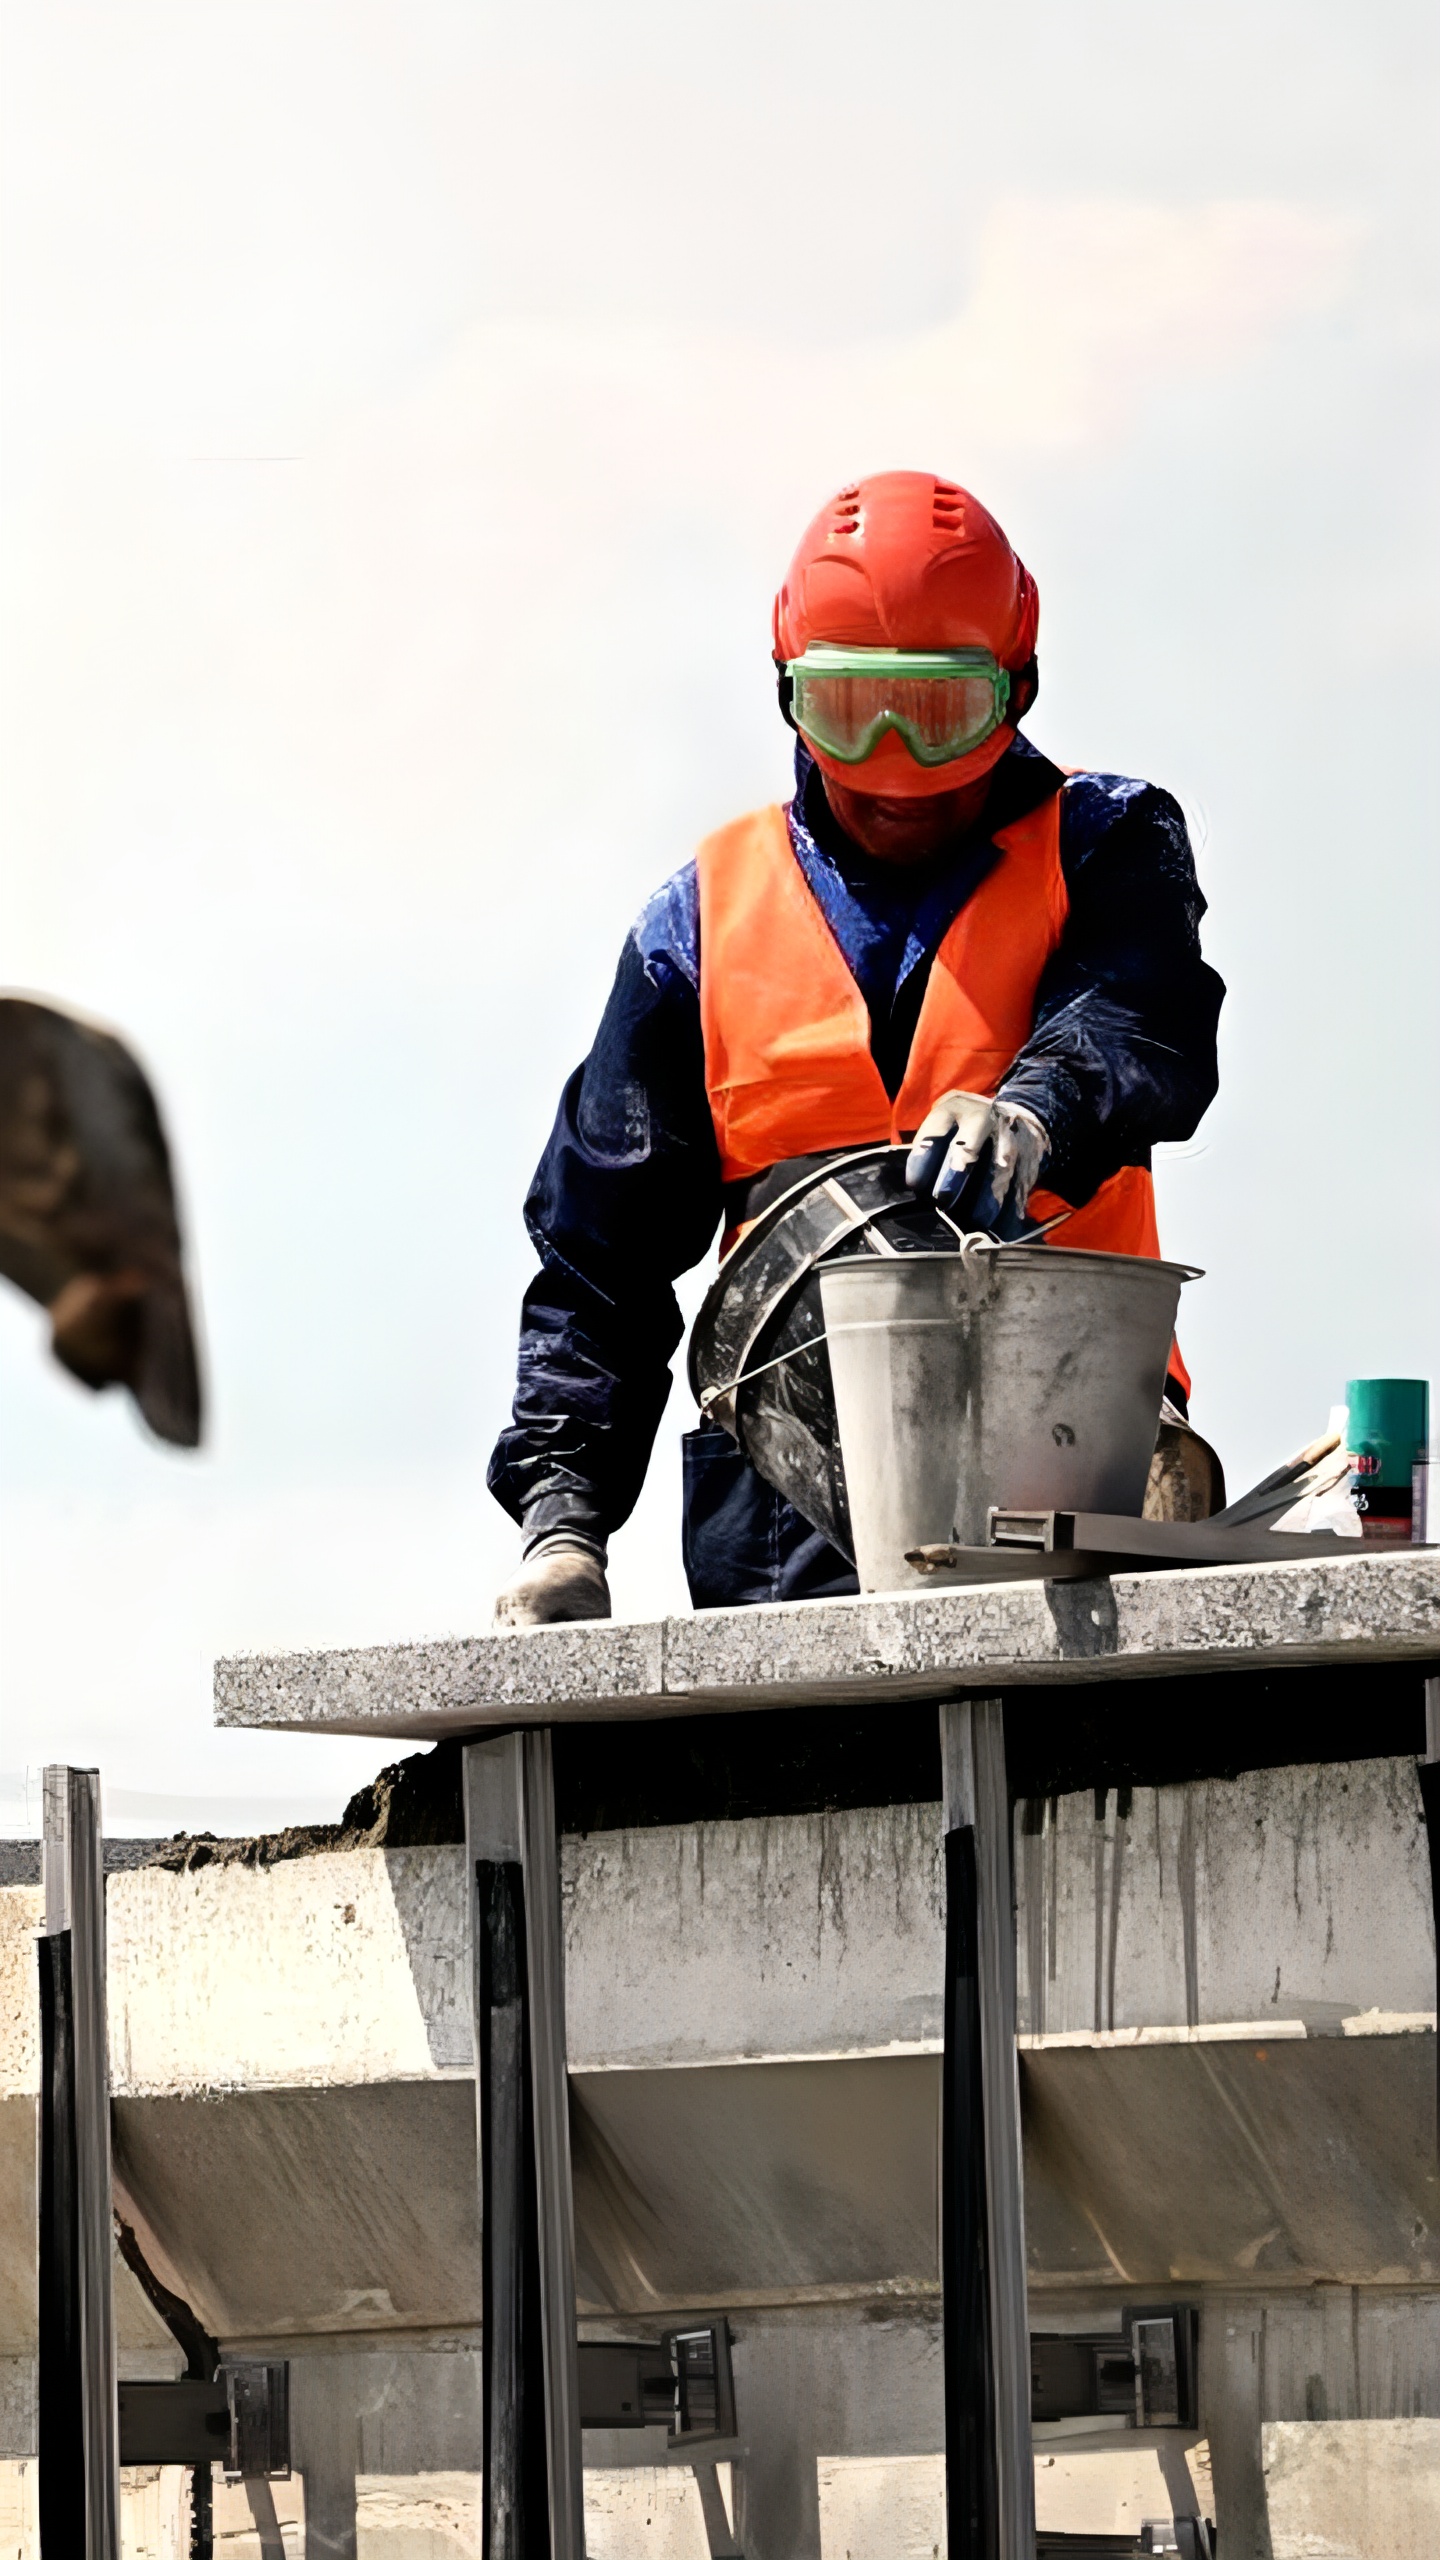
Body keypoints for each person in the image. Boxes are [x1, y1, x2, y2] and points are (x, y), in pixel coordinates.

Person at [489, 471, 1224, 1626]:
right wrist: (564, 1516)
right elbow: (601, 1262)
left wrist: (1032, 1112)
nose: (894, 767)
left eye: (934, 713)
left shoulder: (1106, 847)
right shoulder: (698, 928)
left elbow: (1138, 1021)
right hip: (784, 1522)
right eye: (849, 710)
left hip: (1074, 1465)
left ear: (1016, 686)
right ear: (787, 689)